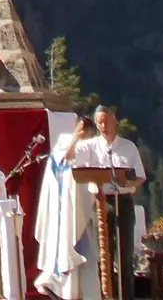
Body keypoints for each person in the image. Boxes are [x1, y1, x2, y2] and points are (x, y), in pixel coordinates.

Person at [72, 107, 144, 300]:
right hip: (101, 202)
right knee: (104, 258)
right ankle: (106, 296)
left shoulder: (128, 147)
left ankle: (126, 297)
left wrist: (128, 182)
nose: (103, 126)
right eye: (100, 123)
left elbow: (140, 176)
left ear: (115, 122)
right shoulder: (90, 146)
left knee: (124, 256)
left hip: (123, 201)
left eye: (106, 121)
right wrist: (76, 136)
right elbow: (69, 157)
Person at [34, 117, 100, 300]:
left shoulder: (91, 147)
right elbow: (62, 162)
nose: (83, 132)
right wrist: (75, 139)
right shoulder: (65, 142)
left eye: (86, 131)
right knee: (64, 251)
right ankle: (62, 291)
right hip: (63, 209)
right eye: (80, 128)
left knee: (86, 256)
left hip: (81, 210)